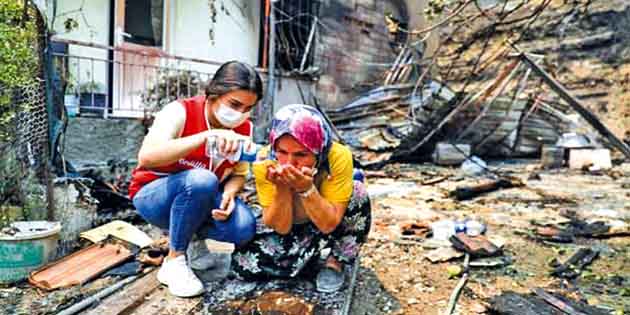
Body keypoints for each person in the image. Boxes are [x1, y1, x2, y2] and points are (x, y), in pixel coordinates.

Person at [128, 61, 263, 297]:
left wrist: (230, 194)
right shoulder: (180, 111)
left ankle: (194, 245)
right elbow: (147, 157)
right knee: (202, 180)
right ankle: (174, 261)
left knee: (243, 226)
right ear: (213, 94)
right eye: (234, 104)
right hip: (153, 196)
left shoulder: (244, 129)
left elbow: (239, 174)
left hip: (200, 198)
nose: (240, 114)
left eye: (248, 108)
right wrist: (205, 137)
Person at [231, 104, 371, 293]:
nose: (290, 163)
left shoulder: (337, 157)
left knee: (357, 193)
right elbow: (280, 227)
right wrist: (282, 188)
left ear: (318, 151)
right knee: (244, 266)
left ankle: (335, 262)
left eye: (301, 154)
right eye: (282, 152)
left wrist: (306, 189)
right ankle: (306, 259)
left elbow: (330, 223)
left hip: (324, 218)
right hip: (290, 223)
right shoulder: (265, 161)